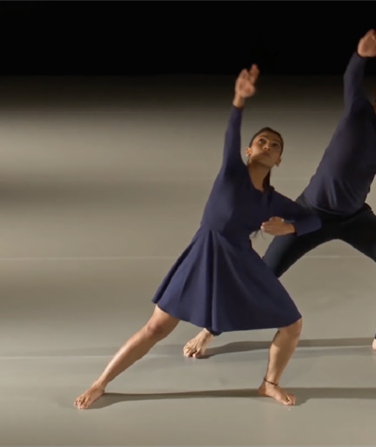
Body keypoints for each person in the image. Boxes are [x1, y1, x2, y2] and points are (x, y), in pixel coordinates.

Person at [73, 64, 321, 409]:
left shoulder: (272, 201)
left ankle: (269, 384)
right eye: (261, 141)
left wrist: (290, 227)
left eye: (274, 145)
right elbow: (231, 134)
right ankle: (101, 383)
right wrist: (238, 101)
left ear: (279, 160)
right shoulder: (231, 174)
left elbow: (313, 222)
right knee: (156, 328)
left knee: (292, 324)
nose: (267, 145)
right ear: (249, 151)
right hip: (203, 254)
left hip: (240, 262)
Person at [184, 26, 376, 360]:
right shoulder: (358, 111)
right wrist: (360, 55)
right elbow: (350, 78)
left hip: (355, 217)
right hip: (312, 212)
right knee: (261, 273)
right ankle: (209, 329)